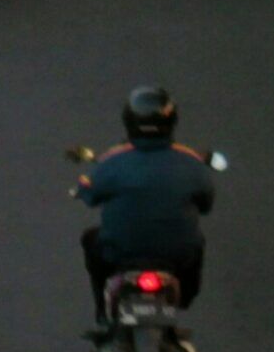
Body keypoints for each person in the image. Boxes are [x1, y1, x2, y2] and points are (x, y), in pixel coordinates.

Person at [76, 86, 218, 326]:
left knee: (90, 240)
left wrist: (82, 188)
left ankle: (103, 309)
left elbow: (89, 194)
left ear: (129, 121)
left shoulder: (113, 161)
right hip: (178, 255)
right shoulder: (191, 163)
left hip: (120, 251)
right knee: (198, 243)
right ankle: (184, 297)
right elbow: (206, 203)